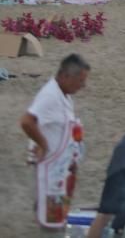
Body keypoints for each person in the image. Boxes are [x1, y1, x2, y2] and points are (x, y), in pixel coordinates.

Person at [20, 54, 89, 232]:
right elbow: (27, 121)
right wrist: (42, 144)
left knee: (57, 217)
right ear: (66, 76)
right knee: (51, 224)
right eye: (80, 80)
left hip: (60, 170)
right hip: (50, 172)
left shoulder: (64, 95)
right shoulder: (50, 96)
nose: (83, 85)